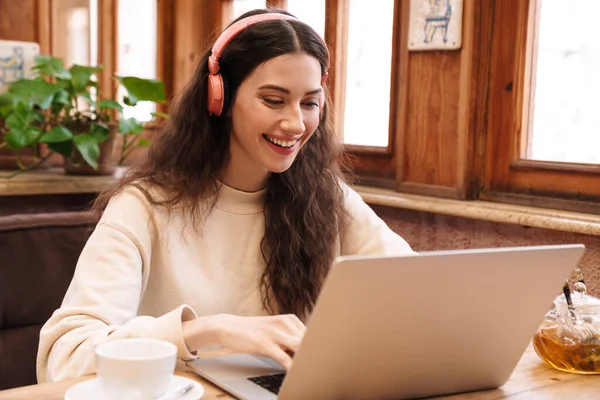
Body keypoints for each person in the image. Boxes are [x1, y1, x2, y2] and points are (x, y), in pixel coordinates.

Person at [36, 8, 415, 383]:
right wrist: (208, 331)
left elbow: (416, 292)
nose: (296, 124)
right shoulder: (143, 207)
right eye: (273, 100)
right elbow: (65, 357)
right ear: (219, 98)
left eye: (309, 103)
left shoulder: (328, 199)